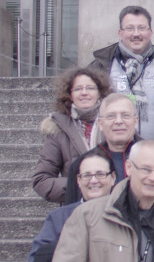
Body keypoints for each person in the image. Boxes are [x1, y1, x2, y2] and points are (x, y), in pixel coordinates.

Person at [91, 6, 154, 141]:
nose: (136, 34)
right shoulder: (100, 67)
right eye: (129, 28)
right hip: (113, 153)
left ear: (150, 32)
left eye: (141, 28)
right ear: (120, 33)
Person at [34, 66, 110, 203]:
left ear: (100, 93)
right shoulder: (58, 129)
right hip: (76, 209)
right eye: (78, 89)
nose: (84, 93)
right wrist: (81, 186)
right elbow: (42, 180)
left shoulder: (115, 123)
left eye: (90, 88)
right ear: (70, 95)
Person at [62, 93, 140, 204]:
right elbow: (74, 211)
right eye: (111, 116)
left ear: (135, 121)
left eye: (125, 115)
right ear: (100, 124)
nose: (118, 121)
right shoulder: (81, 164)